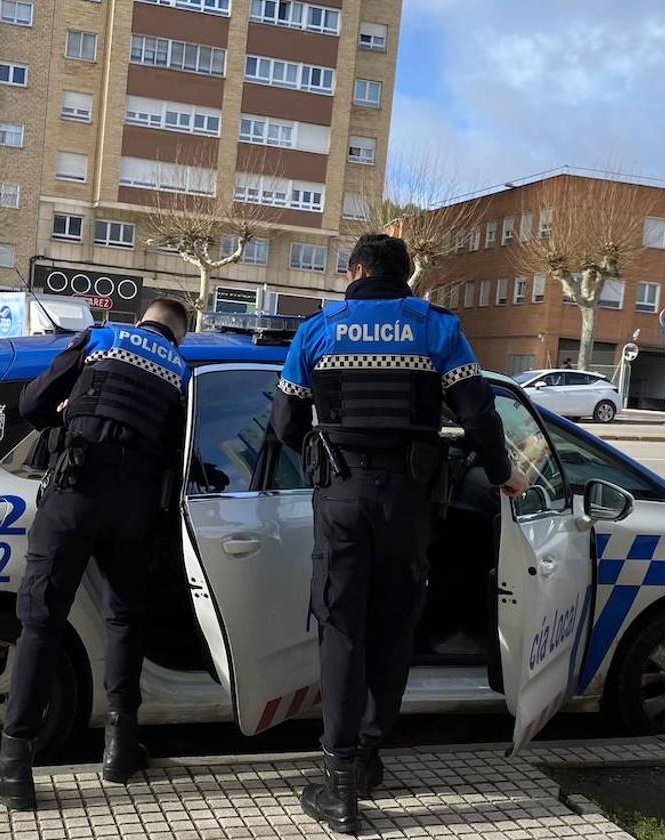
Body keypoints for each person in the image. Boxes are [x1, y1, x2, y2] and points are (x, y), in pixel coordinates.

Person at [271, 234, 529, 835]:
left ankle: (337, 785)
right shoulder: (437, 327)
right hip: (411, 500)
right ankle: (366, 755)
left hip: (341, 495)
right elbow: (479, 414)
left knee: (341, 627)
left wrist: (321, 454)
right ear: (406, 275)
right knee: (393, 626)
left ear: (358, 270)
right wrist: (502, 474)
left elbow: (284, 421)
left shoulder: (319, 329)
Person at [0, 298, 192, 811]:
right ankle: (119, 748)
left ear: (143, 319)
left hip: (75, 490)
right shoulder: (178, 369)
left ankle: (14, 765)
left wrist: (68, 411)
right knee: (124, 619)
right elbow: (178, 452)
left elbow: (31, 406)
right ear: (177, 335)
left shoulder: (100, 339)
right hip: (135, 505)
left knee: (42, 623)